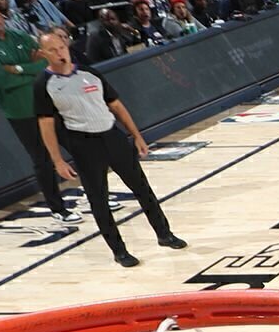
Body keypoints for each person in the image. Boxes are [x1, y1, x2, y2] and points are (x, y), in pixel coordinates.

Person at [31, 28, 186, 266]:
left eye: (61, 47)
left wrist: (136, 135)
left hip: (112, 136)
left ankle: (164, 234)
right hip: (84, 144)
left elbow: (116, 105)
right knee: (99, 199)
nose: (59, 53)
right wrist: (58, 160)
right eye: (52, 50)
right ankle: (119, 250)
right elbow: (46, 125)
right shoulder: (44, 84)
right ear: (44, 54)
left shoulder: (89, 73)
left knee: (142, 188)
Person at [0, 1, 75, 222]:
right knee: (43, 160)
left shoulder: (17, 36)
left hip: (49, 102)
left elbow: (49, 62)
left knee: (79, 147)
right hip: (21, 110)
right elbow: (0, 79)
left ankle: (96, 194)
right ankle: (58, 209)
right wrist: (31, 68)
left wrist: (17, 69)